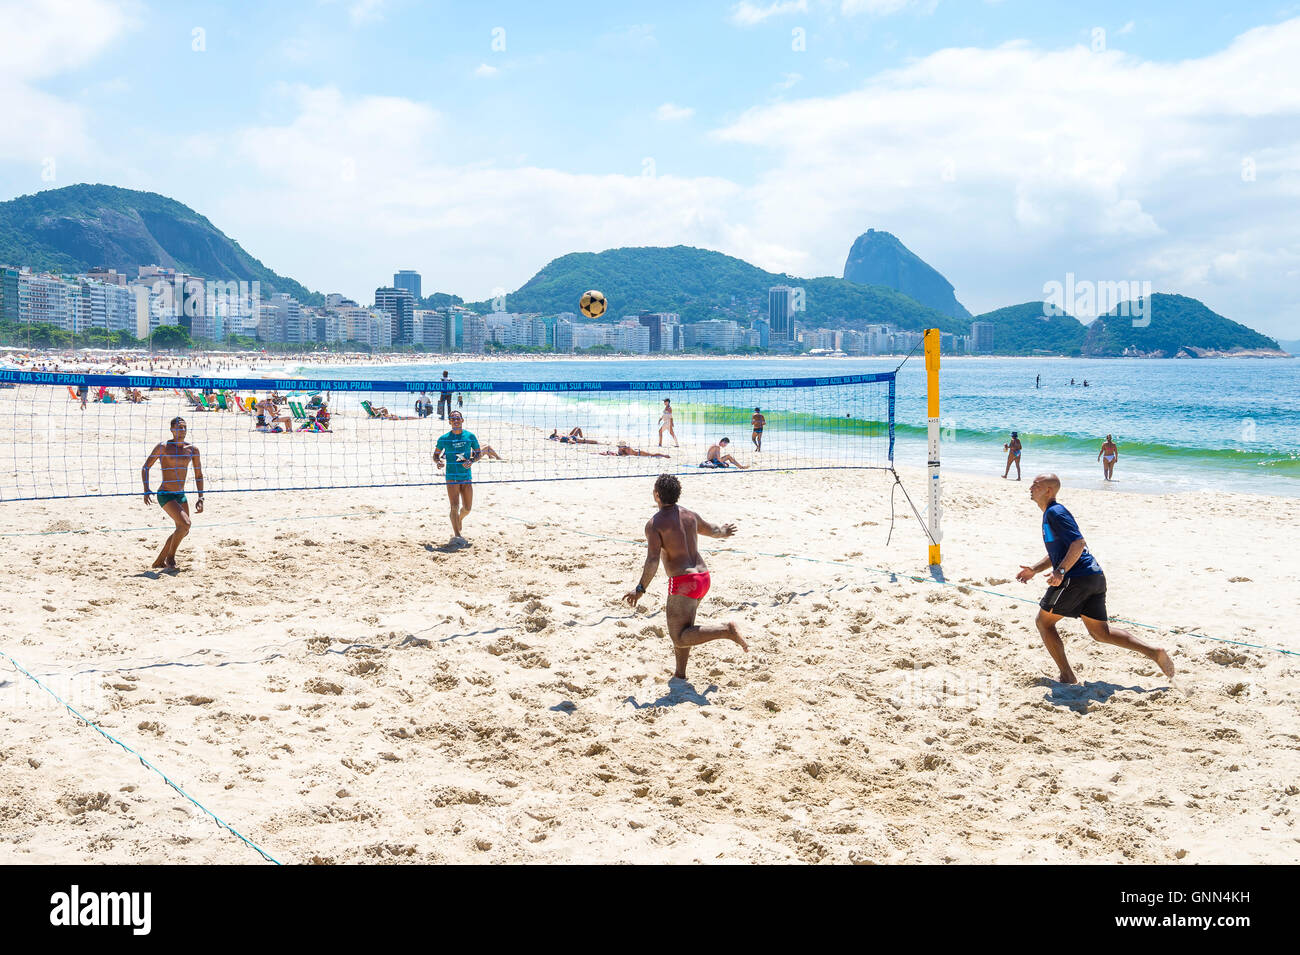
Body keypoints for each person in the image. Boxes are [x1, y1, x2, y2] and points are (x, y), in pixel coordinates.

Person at [1016, 473, 1174, 685]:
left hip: (1076, 578)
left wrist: (1060, 572)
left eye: (1036, 484)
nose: (1031, 487)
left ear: (1049, 490)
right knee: (1101, 633)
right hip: (1093, 577)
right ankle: (1155, 652)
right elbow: (1060, 551)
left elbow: (1078, 544)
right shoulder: (1051, 514)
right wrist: (1034, 569)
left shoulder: (1055, 512)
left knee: (1043, 623)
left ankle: (1067, 676)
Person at [623, 473, 748, 680]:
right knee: (685, 629)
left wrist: (640, 589)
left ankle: (726, 630)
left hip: (684, 583)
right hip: (703, 577)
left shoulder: (654, 524)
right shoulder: (690, 515)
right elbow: (714, 530)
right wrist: (724, 531)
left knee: (679, 637)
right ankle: (680, 673)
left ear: (656, 495)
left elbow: (653, 560)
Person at [141, 417, 204, 570]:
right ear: (172, 430)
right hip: (165, 494)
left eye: (184, 427)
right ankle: (170, 558)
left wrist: (201, 496)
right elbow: (145, 467)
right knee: (185, 524)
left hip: (180, 494)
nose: (182, 430)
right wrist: (146, 488)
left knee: (183, 529)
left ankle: (158, 561)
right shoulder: (163, 447)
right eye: (178, 427)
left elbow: (199, 475)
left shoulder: (192, 449)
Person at [434, 409, 480, 546]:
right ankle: (457, 535)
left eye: (457, 418)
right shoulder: (444, 439)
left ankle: (459, 518)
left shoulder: (470, 436)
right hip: (451, 476)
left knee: (467, 508)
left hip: (466, 477)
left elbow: (478, 453)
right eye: (452, 418)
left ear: (462, 420)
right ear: (449, 422)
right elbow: (436, 455)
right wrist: (438, 462)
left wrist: (471, 460)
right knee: (454, 506)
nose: (455, 420)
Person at [601, 441, 669, 458]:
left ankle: (664, 455)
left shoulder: (627, 449)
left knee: (652, 455)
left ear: (622, 447)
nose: (618, 447)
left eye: (619, 446)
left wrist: (611, 453)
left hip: (640, 453)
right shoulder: (622, 449)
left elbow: (622, 455)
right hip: (636, 453)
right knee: (652, 455)